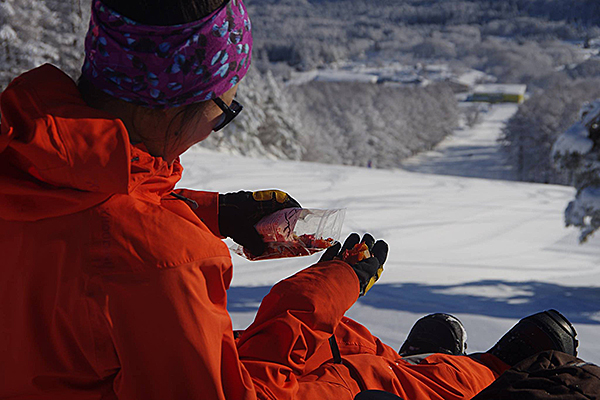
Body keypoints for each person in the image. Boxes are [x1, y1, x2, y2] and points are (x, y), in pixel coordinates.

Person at [0, 0, 580, 399]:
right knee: (359, 374)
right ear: (167, 104)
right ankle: (482, 375)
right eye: (224, 108)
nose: (219, 122)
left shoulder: (21, 154)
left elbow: (89, 222)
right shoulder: (159, 259)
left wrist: (217, 213)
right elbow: (134, 256)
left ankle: (426, 367)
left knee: (333, 339)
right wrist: (330, 310)